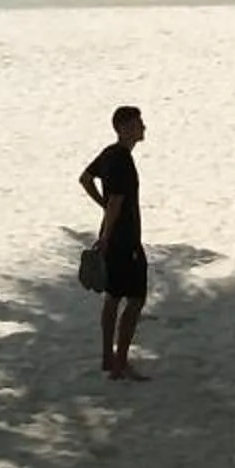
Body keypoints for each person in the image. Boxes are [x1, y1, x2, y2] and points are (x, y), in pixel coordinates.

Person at [78, 105, 150, 381]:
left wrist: (102, 206)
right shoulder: (122, 161)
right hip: (125, 240)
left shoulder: (109, 154)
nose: (143, 128)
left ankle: (109, 357)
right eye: (138, 123)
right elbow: (118, 201)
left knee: (113, 296)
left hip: (112, 234)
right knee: (136, 298)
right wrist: (107, 236)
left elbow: (85, 179)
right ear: (124, 128)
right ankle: (120, 363)